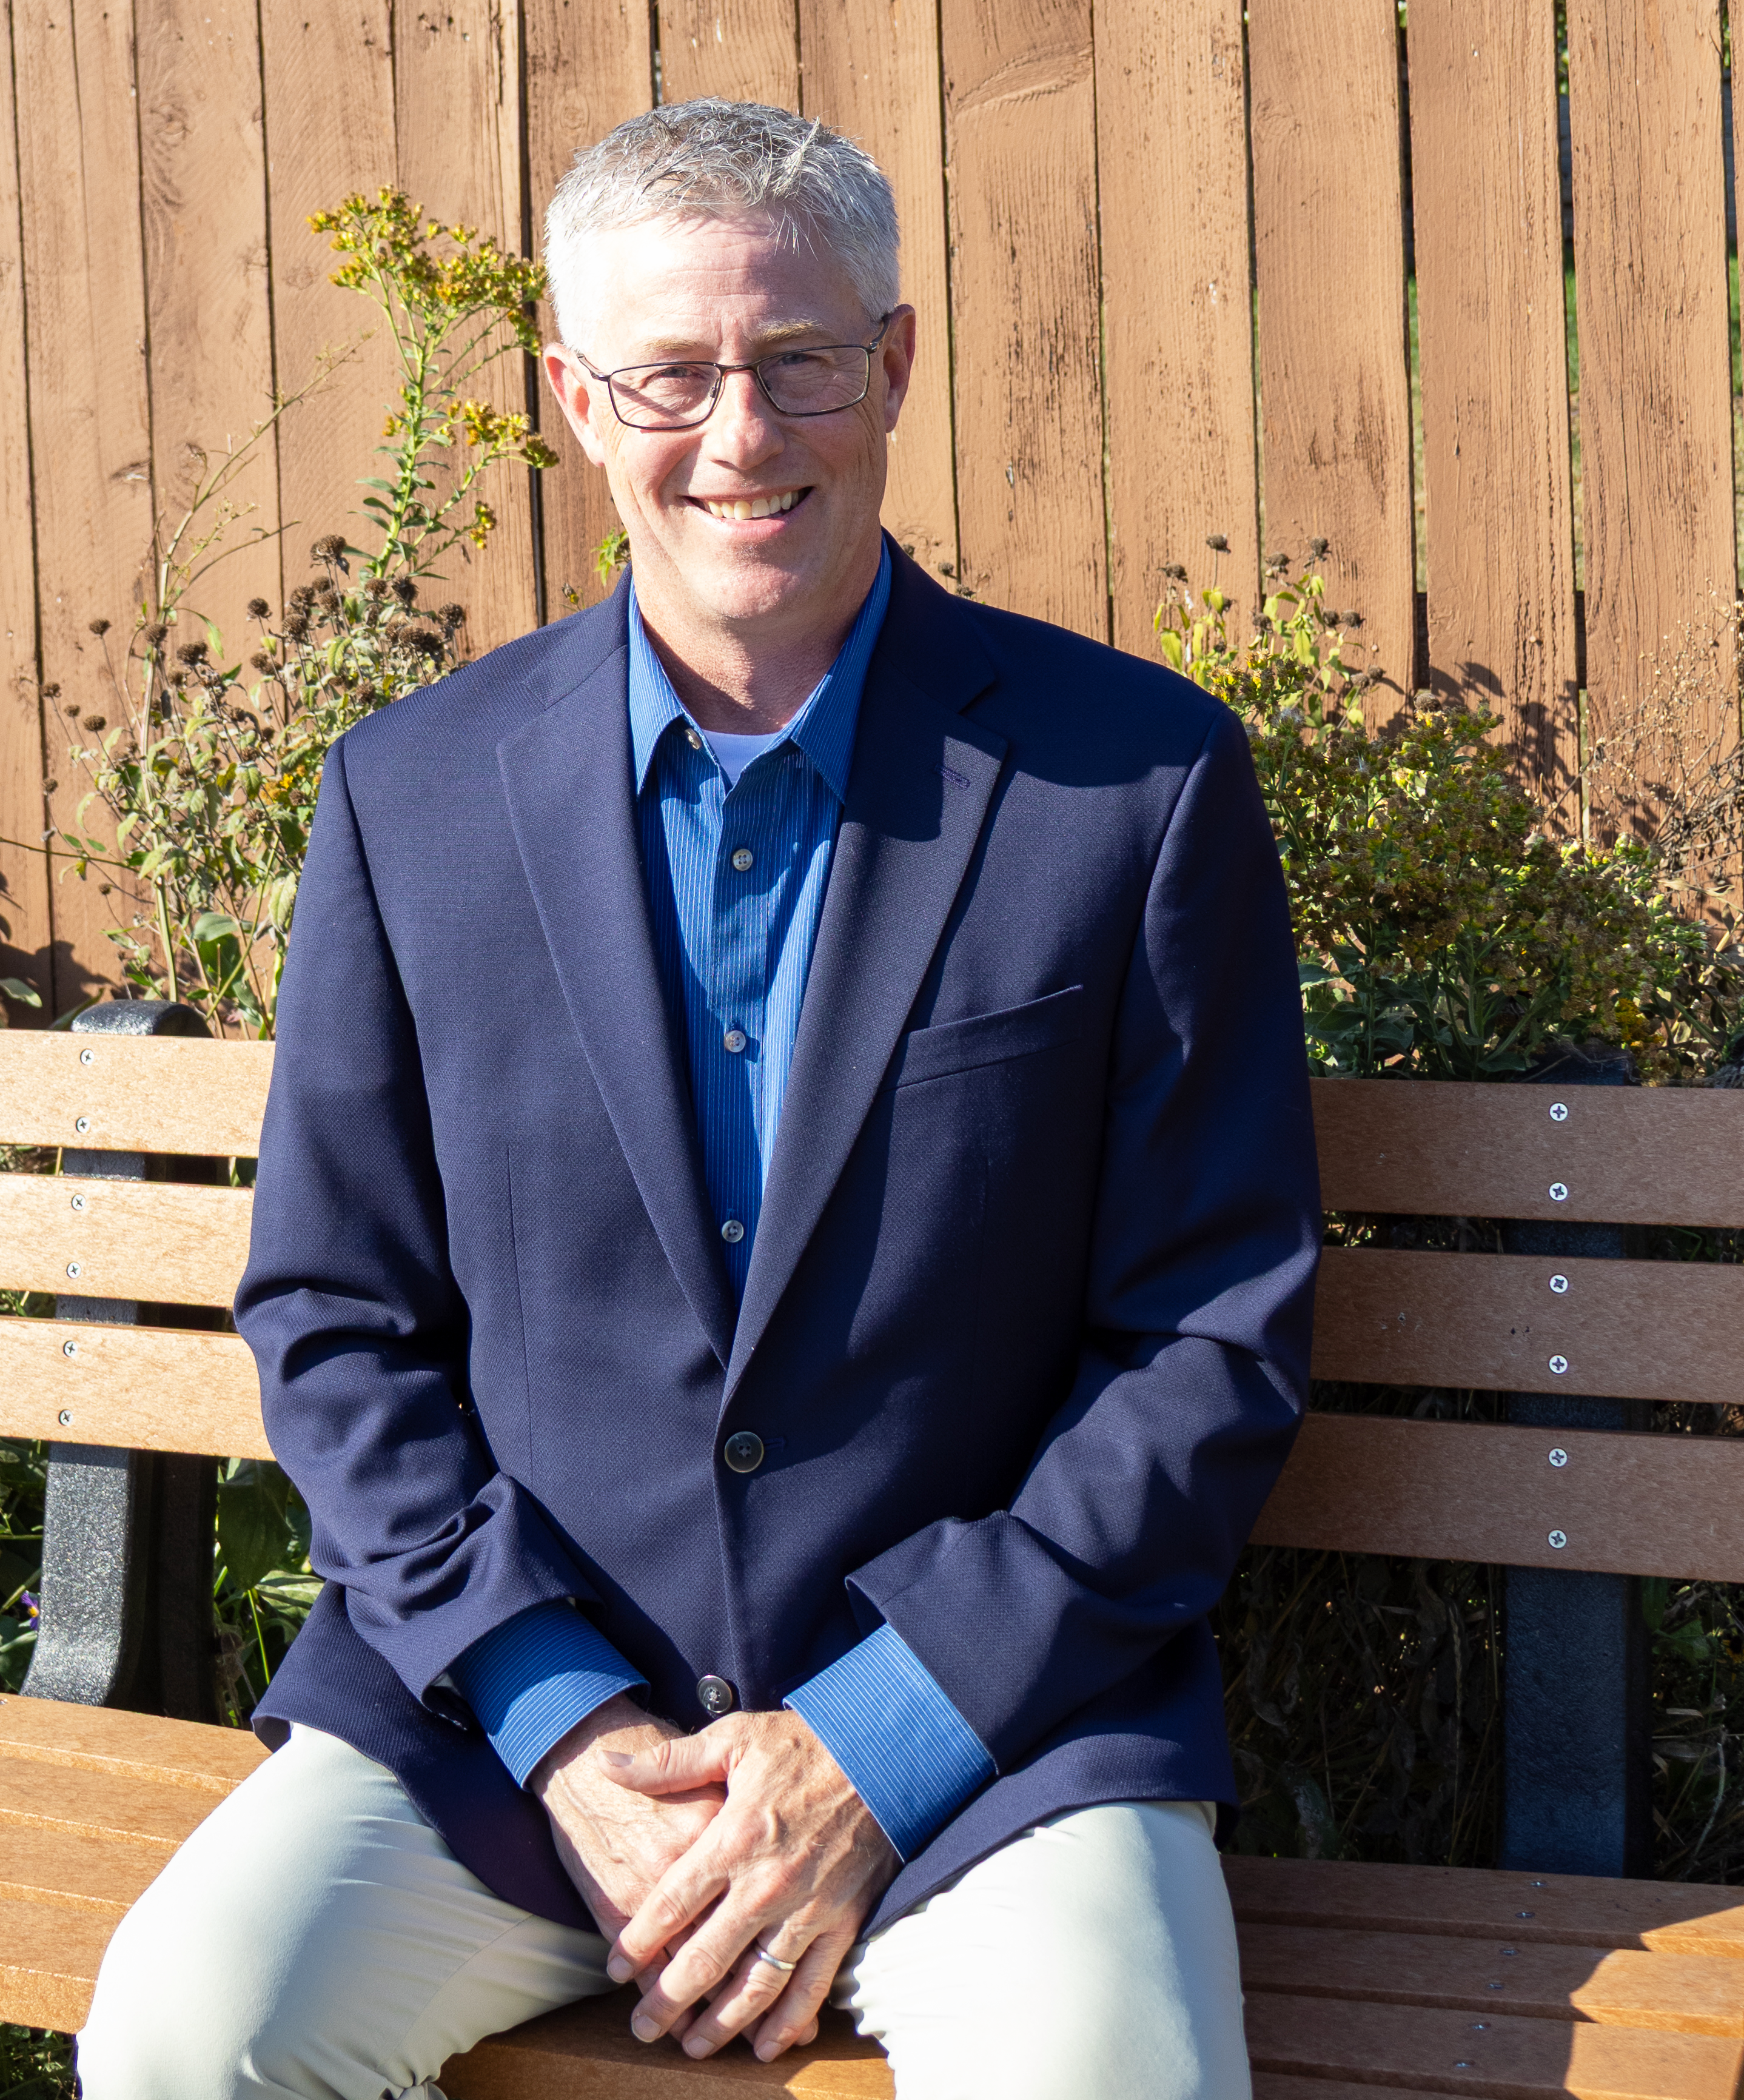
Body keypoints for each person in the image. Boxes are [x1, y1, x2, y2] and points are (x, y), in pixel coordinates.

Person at [78, 97, 1320, 2100]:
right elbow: (330, 1318)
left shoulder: (1135, 787)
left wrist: (878, 1743)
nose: (739, 435)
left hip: (993, 1740)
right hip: (509, 1732)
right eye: (670, 373)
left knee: (1119, 2073)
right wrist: (563, 1723)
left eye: (795, 360)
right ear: (575, 398)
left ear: (891, 366)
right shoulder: (413, 802)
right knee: (186, 2030)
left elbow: (1207, 1339)